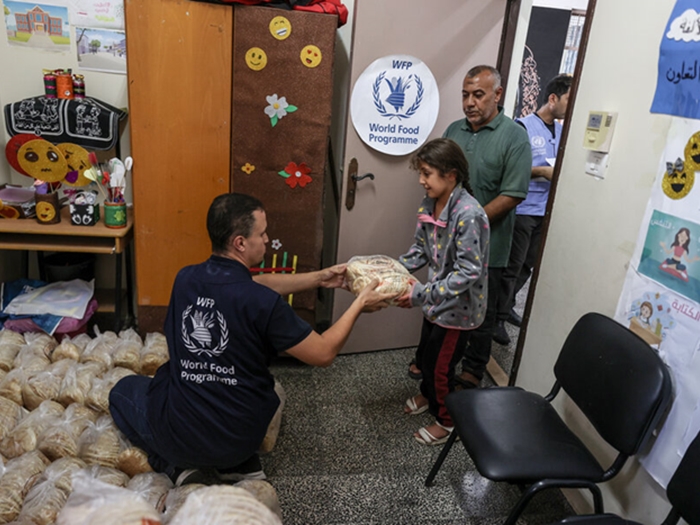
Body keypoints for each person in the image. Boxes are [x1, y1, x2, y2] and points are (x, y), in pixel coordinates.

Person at [109, 193, 394, 486]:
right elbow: (323, 353)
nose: (268, 239)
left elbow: (251, 284)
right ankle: (233, 464)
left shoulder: (185, 279)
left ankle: (174, 464)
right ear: (240, 243)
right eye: (262, 233)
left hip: (182, 433)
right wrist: (359, 304)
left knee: (123, 390)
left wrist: (320, 278)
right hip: (241, 438)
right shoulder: (262, 303)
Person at [411, 65, 530, 389]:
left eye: (478, 95)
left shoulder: (514, 135)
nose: (470, 102)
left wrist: (464, 223)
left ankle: (472, 372)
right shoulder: (454, 130)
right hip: (446, 245)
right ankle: (428, 362)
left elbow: (513, 193)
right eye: (465, 95)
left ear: (498, 95)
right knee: (439, 304)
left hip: (489, 246)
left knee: (480, 315)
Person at [397, 138, 489, 445]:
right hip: (435, 302)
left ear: (451, 175)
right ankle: (428, 396)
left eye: (427, 173)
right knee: (425, 356)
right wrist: (393, 272)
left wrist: (419, 294)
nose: (421, 180)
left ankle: (448, 422)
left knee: (440, 367)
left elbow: (468, 271)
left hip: (458, 311)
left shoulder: (469, 214)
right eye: (421, 173)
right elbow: (421, 249)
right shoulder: (430, 203)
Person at [497, 74, 572, 342]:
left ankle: (506, 309)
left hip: (546, 210)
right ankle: (497, 317)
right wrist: (542, 171)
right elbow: (510, 170)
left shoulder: (564, 130)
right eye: (567, 98)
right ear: (553, 98)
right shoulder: (523, 127)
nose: (571, 104)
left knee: (529, 264)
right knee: (513, 265)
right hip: (524, 208)